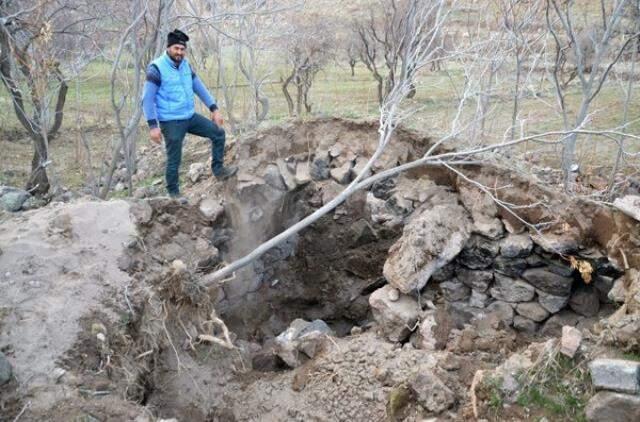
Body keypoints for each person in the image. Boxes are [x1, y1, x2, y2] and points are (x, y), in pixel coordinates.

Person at [142, 29, 237, 201]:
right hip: (171, 121)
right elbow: (147, 99)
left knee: (218, 133)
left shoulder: (185, 65)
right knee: (175, 158)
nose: (179, 52)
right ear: (169, 48)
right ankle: (174, 193)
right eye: (176, 48)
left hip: (189, 116)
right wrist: (153, 126)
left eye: (182, 49)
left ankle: (218, 170)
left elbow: (199, 87)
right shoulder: (156, 68)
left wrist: (214, 109)